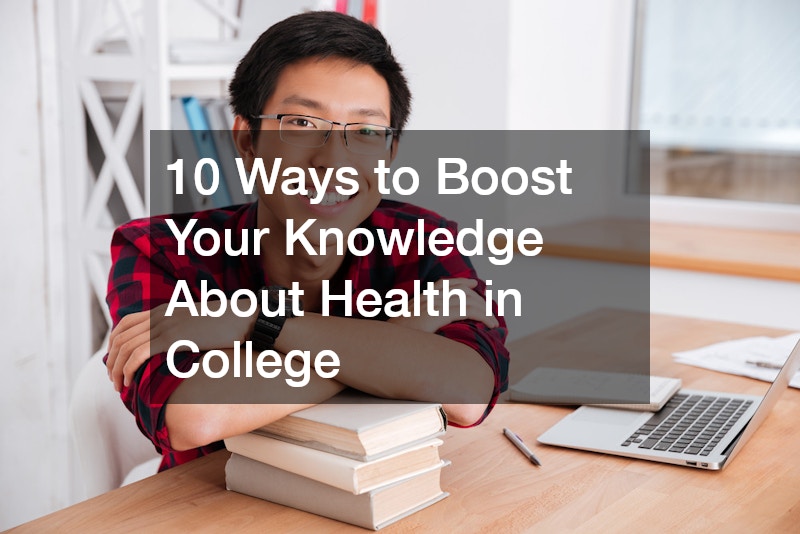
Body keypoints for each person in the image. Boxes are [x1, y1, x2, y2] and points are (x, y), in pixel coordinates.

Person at [105, 11, 509, 471]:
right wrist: (401, 339)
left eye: (366, 132)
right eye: (300, 124)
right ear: (247, 140)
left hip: (379, 498)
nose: (333, 161)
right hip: (215, 507)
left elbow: (467, 392)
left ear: (390, 151)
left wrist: (254, 322)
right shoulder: (160, 250)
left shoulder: (422, 240)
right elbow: (193, 414)